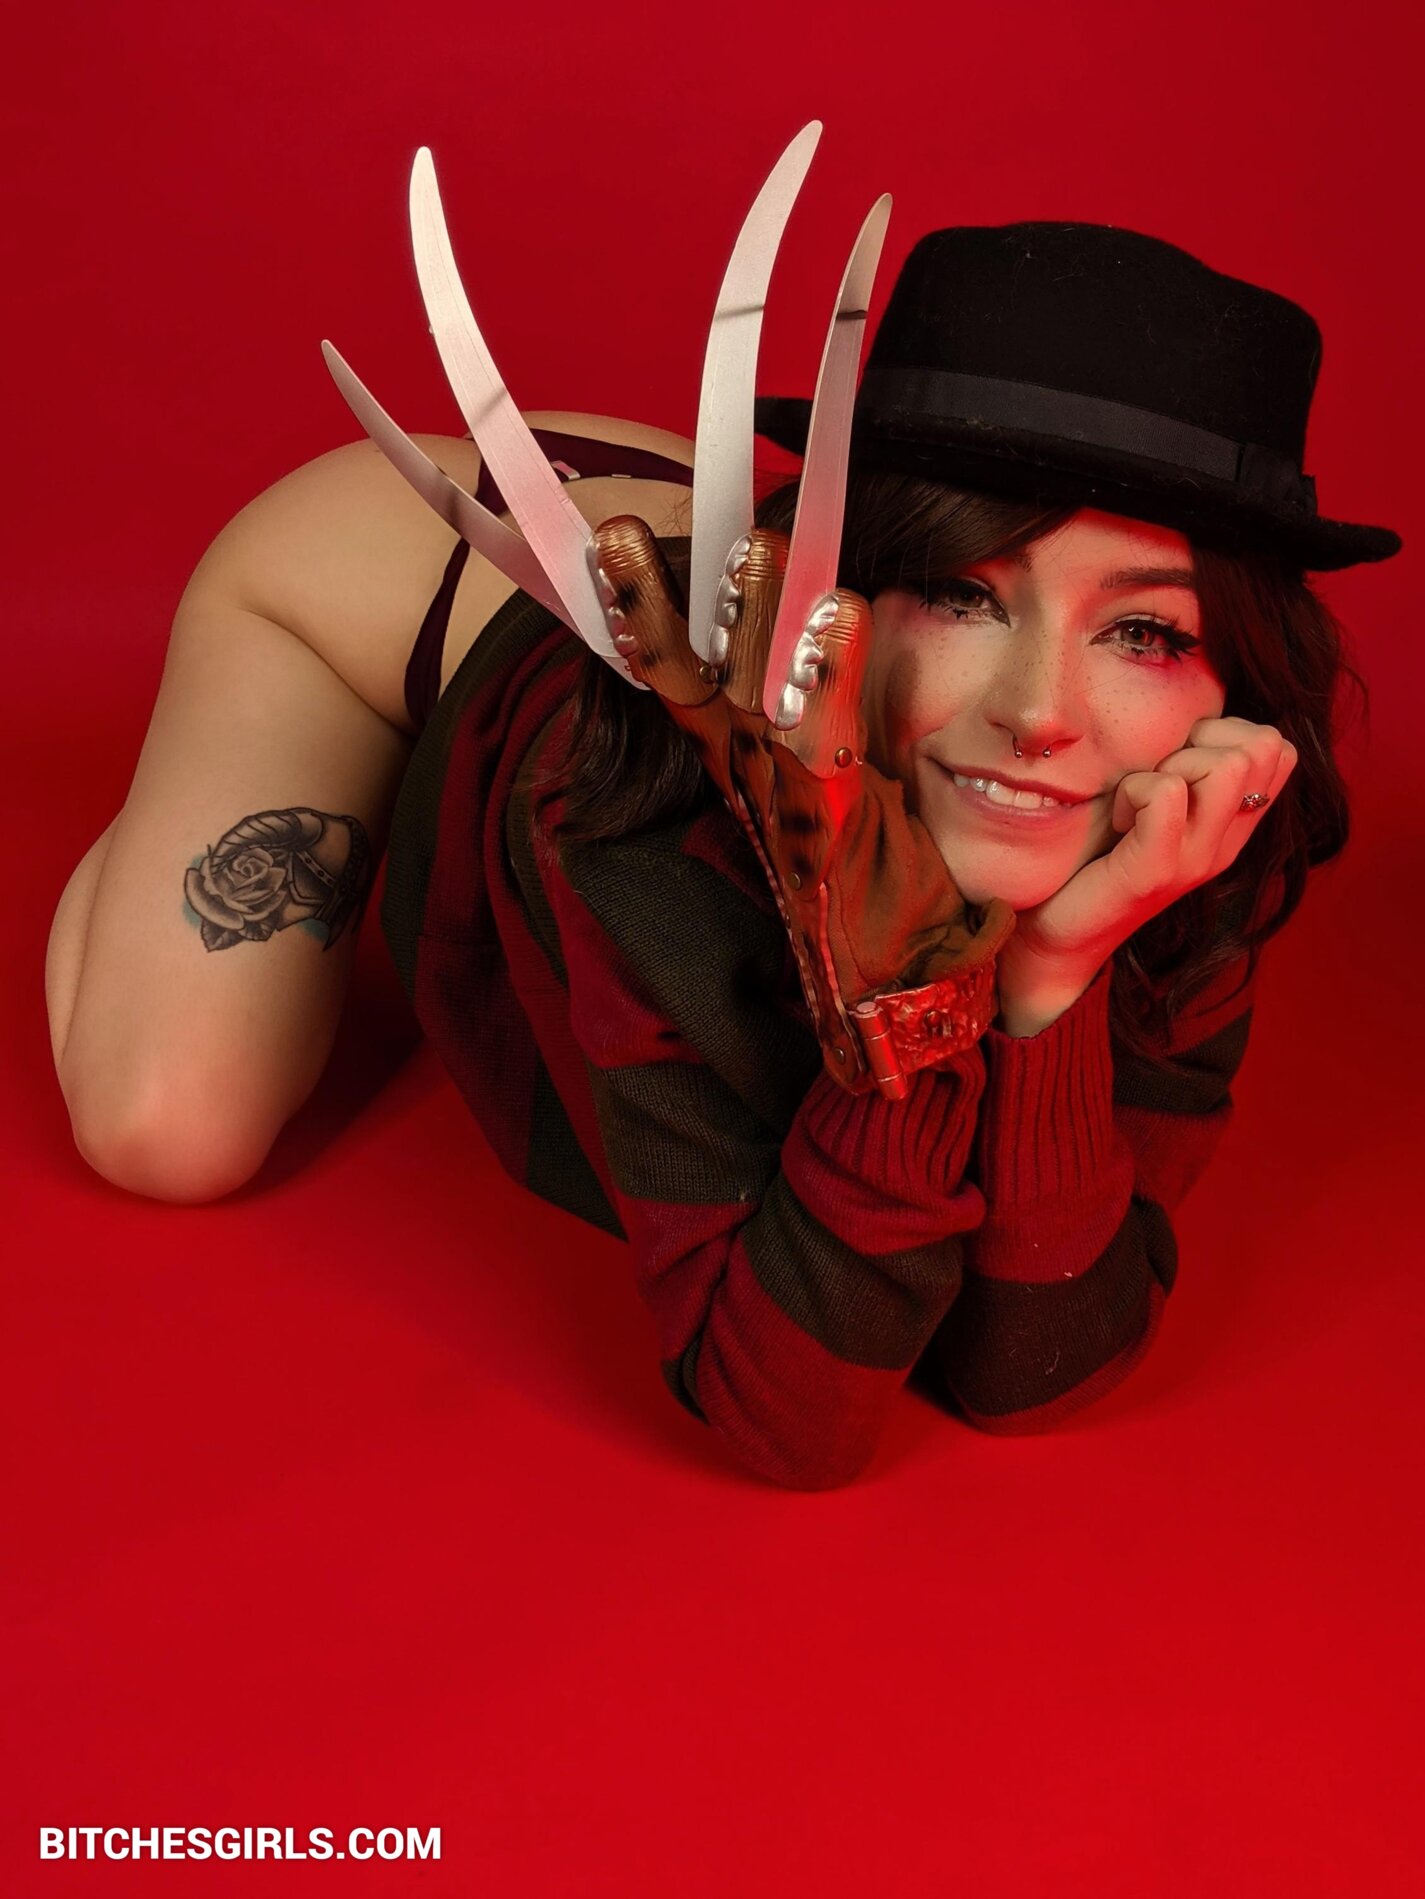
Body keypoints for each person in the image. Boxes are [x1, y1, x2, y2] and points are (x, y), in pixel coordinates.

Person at [45, 218, 1400, 1490]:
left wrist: (1050, 976)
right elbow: (786, 1419)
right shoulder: (637, 808)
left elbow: (1028, 1367)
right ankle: (235, 790)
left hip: (706, 541)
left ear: (1231, 682)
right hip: (390, 584)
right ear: (857, 585)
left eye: (1143, 634)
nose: (1041, 716)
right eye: (960, 593)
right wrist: (910, 1012)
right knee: (169, 1131)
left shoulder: (1187, 822)